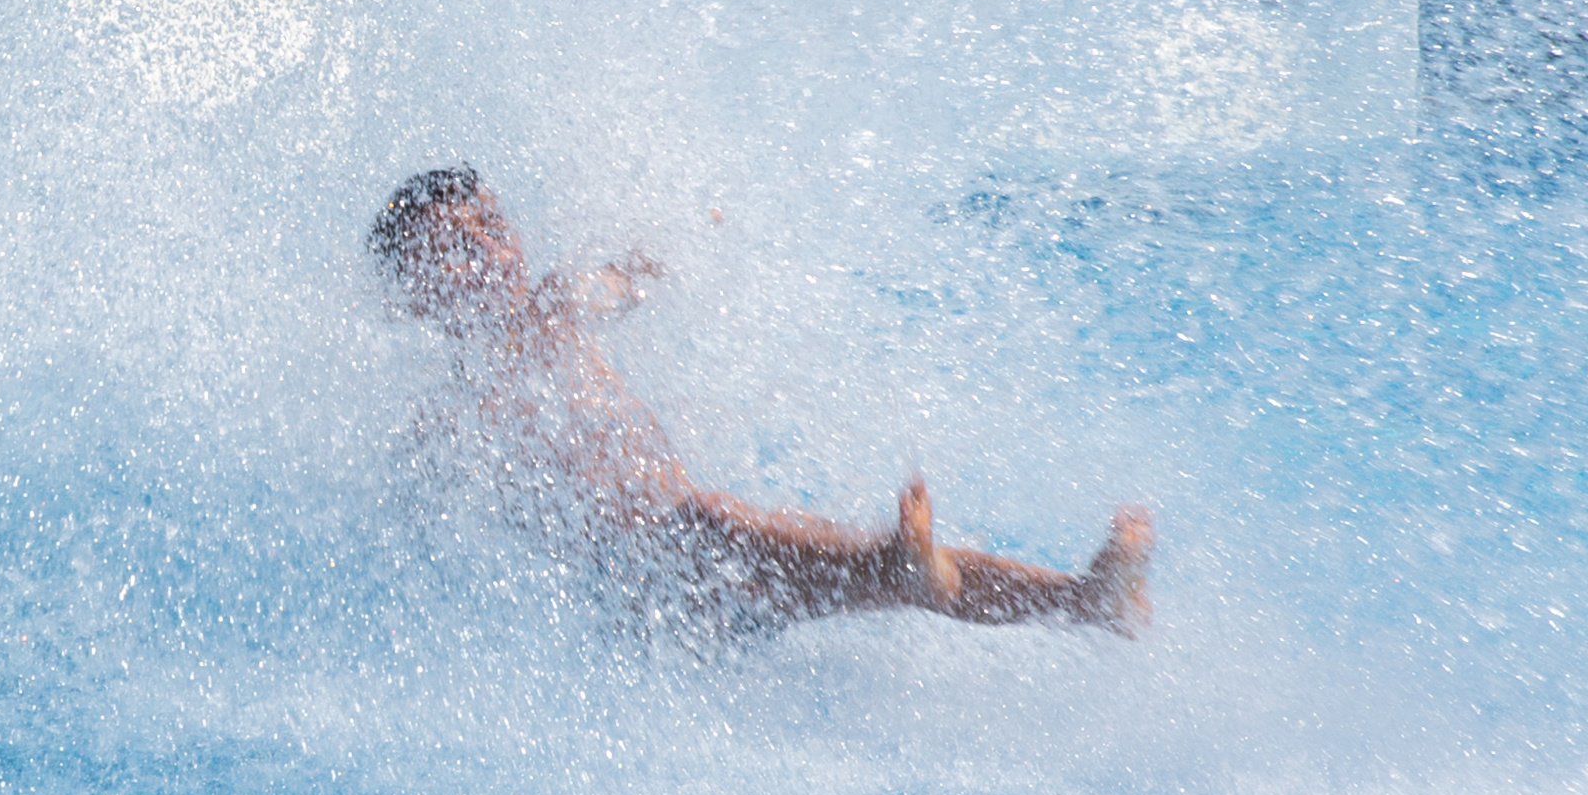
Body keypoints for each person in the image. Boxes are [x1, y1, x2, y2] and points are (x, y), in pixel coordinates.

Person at [368, 167, 1149, 635]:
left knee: (819, 544)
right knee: (738, 527)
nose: (491, 252)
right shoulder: (452, 415)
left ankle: (1083, 600)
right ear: (418, 296)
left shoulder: (556, 310)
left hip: (699, 553)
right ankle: (945, 579)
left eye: (494, 227)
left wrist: (683, 237)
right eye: (459, 247)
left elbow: (627, 277)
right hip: (648, 594)